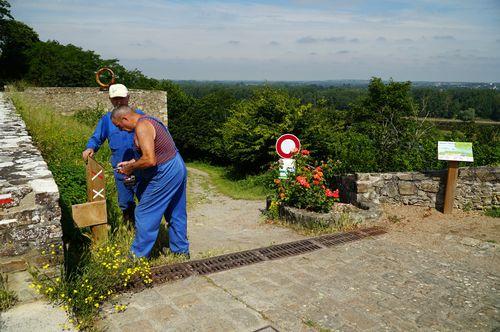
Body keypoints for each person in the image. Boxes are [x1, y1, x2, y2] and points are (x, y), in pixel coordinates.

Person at [111, 105, 189, 258]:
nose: (120, 129)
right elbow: (155, 152)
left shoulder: (142, 126)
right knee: (176, 212)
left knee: (144, 212)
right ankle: (181, 252)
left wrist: (130, 169)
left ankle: (138, 257)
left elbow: (150, 160)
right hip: (177, 165)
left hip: (165, 171)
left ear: (125, 118)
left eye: (119, 125)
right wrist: (132, 162)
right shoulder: (151, 120)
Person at [82, 84, 144, 224]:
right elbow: (97, 137)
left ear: (128, 97)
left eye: (121, 98)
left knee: (146, 201)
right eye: (115, 99)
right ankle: (130, 229)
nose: (118, 102)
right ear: (110, 99)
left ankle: (148, 233)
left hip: (141, 169)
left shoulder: (140, 117)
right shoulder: (107, 120)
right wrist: (90, 148)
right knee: (125, 203)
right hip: (120, 171)